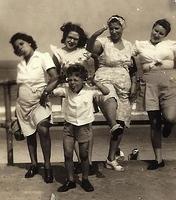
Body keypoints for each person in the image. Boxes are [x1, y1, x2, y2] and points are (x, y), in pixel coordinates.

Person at [40, 64, 109, 192]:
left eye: (76, 80)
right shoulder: (65, 90)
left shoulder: (89, 90)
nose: (72, 83)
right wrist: (57, 80)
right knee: (67, 154)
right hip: (69, 127)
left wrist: (94, 81)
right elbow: (48, 91)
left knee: (84, 155)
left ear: (83, 80)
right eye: (70, 80)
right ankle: (70, 180)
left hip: (84, 127)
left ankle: (85, 179)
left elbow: (106, 92)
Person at [87, 15, 136, 171]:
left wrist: (134, 84)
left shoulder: (129, 45)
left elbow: (133, 68)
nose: (114, 31)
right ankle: (112, 124)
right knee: (110, 100)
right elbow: (89, 47)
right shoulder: (103, 42)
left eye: (117, 28)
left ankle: (111, 159)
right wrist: (96, 34)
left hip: (124, 86)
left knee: (121, 122)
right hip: (105, 80)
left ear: (122, 28)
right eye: (111, 28)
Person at [9, 32, 58, 183]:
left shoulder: (43, 56)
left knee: (43, 129)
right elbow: (20, 87)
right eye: (17, 47)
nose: (20, 48)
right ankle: (34, 164)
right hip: (22, 104)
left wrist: (46, 92)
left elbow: (55, 77)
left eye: (22, 44)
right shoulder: (21, 65)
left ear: (30, 42)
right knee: (29, 135)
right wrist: (16, 112)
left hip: (39, 102)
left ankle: (48, 166)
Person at [50, 22, 95, 173]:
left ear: (79, 40)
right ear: (65, 37)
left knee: (86, 126)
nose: (72, 41)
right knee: (72, 125)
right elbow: (54, 75)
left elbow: (94, 63)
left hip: (84, 92)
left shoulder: (84, 52)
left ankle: (87, 162)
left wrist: (91, 78)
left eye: (75, 39)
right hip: (67, 91)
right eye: (70, 37)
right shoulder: (58, 53)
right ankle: (81, 163)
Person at [133, 19, 176, 170]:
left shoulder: (171, 45)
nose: (157, 34)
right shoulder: (140, 45)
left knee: (171, 117)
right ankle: (158, 159)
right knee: (155, 123)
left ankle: (169, 124)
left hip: (169, 82)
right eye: (155, 31)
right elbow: (127, 58)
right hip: (149, 84)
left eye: (161, 33)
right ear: (152, 28)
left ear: (165, 35)